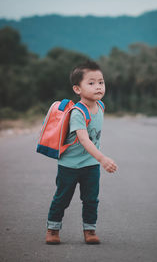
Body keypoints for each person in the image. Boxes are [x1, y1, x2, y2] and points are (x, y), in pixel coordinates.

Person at [46, 60, 118, 245]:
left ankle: (89, 230)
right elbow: (84, 140)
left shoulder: (101, 107)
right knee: (62, 198)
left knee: (91, 200)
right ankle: (53, 229)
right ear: (77, 89)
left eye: (101, 82)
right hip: (69, 165)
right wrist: (102, 158)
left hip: (90, 165)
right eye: (91, 83)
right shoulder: (78, 112)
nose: (98, 87)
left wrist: (97, 160)